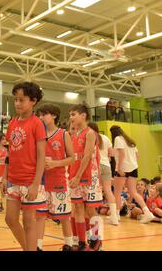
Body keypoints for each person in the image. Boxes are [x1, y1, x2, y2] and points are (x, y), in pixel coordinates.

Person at [4, 82, 46, 251]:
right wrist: (5, 178)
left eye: (22, 100)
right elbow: (10, 153)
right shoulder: (13, 122)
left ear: (33, 101)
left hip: (30, 180)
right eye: (16, 99)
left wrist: (36, 183)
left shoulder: (37, 124)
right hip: (14, 180)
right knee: (10, 219)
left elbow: (42, 155)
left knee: (29, 221)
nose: (17, 103)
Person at [36, 103, 75, 251]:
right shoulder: (38, 134)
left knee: (64, 216)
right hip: (41, 181)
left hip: (59, 180)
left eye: (44, 114)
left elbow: (72, 158)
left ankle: (69, 244)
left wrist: (55, 163)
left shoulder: (63, 134)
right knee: (39, 215)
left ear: (53, 115)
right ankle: (38, 246)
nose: (40, 117)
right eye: (39, 115)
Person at [69, 104, 103, 251]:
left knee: (90, 209)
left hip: (88, 175)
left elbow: (88, 156)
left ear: (83, 116)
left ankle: (96, 239)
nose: (71, 117)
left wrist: (77, 176)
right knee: (77, 208)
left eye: (73, 114)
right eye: (70, 115)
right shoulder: (74, 134)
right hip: (75, 174)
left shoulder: (90, 133)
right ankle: (82, 243)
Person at [110, 125, 155, 224]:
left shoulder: (117, 139)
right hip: (133, 168)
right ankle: (147, 213)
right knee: (134, 192)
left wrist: (120, 167)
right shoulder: (129, 141)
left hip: (123, 169)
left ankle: (116, 216)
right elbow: (137, 156)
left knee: (117, 192)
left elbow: (122, 154)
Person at [88, 122, 119, 225]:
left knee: (95, 190)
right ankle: (114, 216)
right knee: (108, 191)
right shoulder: (105, 138)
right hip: (106, 166)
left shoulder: (89, 137)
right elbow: (112, 153)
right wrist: (107, 156)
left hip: (95, 165)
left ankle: (93, 215)